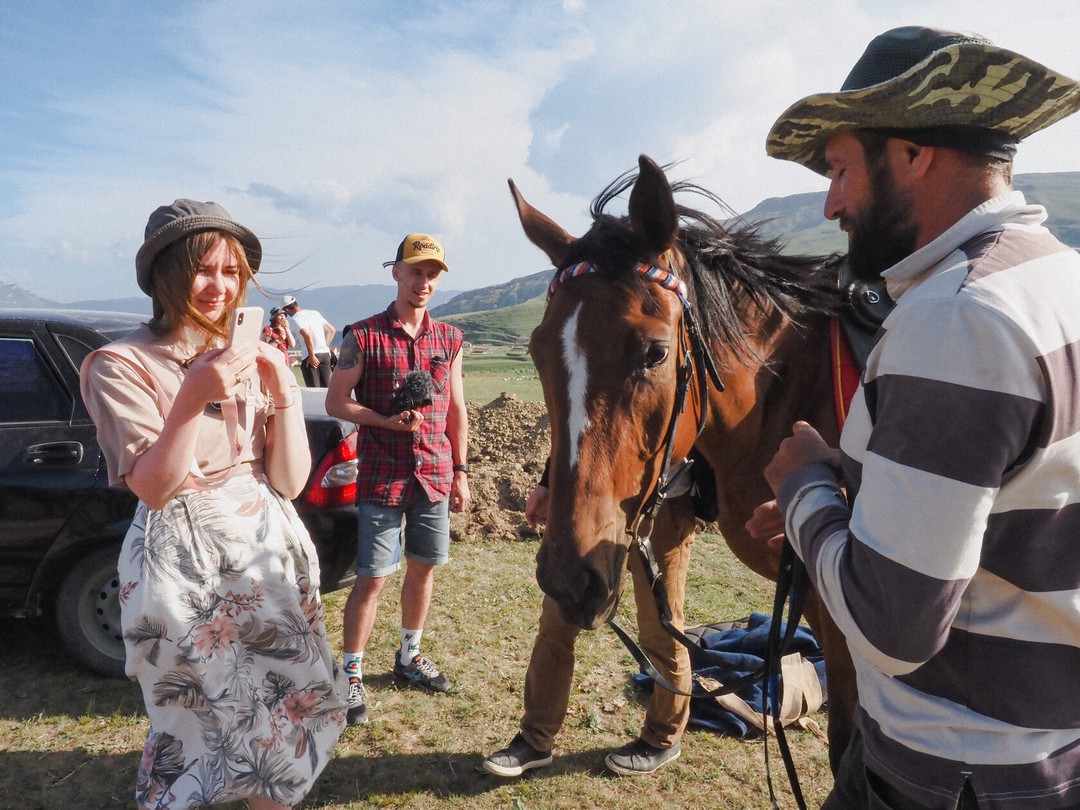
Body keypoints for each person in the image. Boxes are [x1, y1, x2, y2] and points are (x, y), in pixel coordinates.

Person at [753, 27, 1080, 808]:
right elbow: (1011, 500)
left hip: (951, 767)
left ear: (912, 155)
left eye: (838, 169)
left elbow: (893, 625)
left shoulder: (957, 318)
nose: (831, 202)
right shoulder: (1055, 277)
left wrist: (805, 490)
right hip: (1043, 744)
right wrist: (858, 483)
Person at [79, 199, 347, 810]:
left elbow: (290, 481)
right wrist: (193, 396)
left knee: (283, 708)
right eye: (203, 270)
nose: (219, 287)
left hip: (266, 551)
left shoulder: (244, 357)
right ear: (163, 275)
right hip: (181, 558)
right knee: (195, 715)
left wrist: (282, 390)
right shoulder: (121, 364)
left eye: (233, 272)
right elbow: (153, 487)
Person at [325, 233, 470, 726]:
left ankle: (408, 656)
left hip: (434, 473)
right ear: (396, 272)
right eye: (416, 271)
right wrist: (385, 422)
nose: (424, 281)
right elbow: (336, 402)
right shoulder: (362, 336)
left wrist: (462, 472)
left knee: (424, 567)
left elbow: (456, 410)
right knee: (371, 579)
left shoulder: (450, 339)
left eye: (432, 274)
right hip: (383, 476)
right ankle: (351, 675)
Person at [482, 467, 697, 777]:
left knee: (662, 630)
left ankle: (663, 738)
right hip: (595, 501)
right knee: (557, 620)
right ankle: (535, 740)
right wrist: (547, 482)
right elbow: (582, 421)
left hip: (664, 505)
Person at [282, 294, 335, 387]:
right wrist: (324, 346)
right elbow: (331, 330)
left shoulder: (295, 319)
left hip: (310, 356)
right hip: (325, 354)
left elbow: (307, 336)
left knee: (314, 390)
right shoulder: (315, 313)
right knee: (326, 389)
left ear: (286, 309)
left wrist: (311, 355)